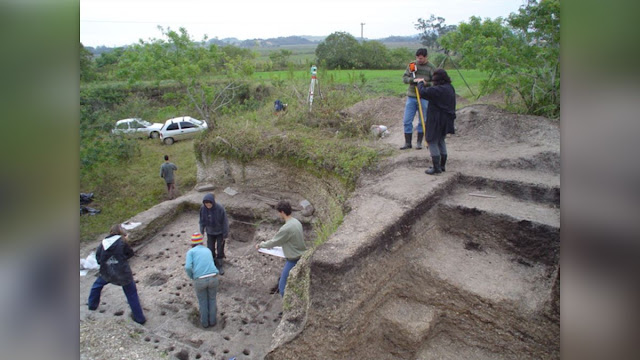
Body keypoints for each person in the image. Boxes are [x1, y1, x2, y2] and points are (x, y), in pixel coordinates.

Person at [88, 224, 146, 325]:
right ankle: (140, 318)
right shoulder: (122, 242)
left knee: (96, 286)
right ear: (121, 233)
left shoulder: (103, 243)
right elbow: (130, 254)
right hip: (122, 272)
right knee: (131, 294)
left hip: (107, 271)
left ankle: (92, 305)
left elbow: (98, 258)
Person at [255, 200, 307, 297]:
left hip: (293, 259)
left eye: (279, 212)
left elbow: (274, 242)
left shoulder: (286, 228)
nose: (279, 214)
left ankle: (288, 309)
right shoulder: (297, 222)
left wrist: (261, 245)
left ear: (282, 212)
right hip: (301, 255)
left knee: (282, 287)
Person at [416, 68, 457, 175]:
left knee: (431, 140)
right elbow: (432, 92)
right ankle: (442, 165)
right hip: (447, 119)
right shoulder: (449, 88)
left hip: (436, 119)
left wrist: (420, 83)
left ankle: (436, 168)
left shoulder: (437, 90)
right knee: (440, 140)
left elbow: (423, 92)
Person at [400, 48, 436, 150]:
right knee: (407, 120)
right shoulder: (412, 65)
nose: (418, 60)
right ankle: (408, 143)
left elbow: (436, 82)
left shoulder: (431, 67)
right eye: (417, 58)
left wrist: (426, 83)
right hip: (411, 96)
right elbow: (404, 78)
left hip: (424, 97)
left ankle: (419, 143)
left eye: (421, 58)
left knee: (423, 120)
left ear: (425, 57)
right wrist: (413, 80)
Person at [184, 232, 220, 328]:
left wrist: (192, 276)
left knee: (202, 301)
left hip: (199, 279)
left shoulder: (190, 252)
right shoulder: (207, 250)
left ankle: (204, 323)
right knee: (212, 299)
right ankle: (213, 322)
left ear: (192, 243)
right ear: (201, 242)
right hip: (213, 277)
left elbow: (188, 267)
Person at [199, 193, 229, 275]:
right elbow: (202, 221)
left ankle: (220, 264)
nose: (208, 205)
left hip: (220, 232)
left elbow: (225, 222)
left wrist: (225, 234)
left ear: (213, 202)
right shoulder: (203, 209)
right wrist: (201, 231)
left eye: (209, 203)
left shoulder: (220, 208)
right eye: (206, 203)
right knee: (210, 248)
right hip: (210, 232)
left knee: (220, 248)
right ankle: (212, 263)